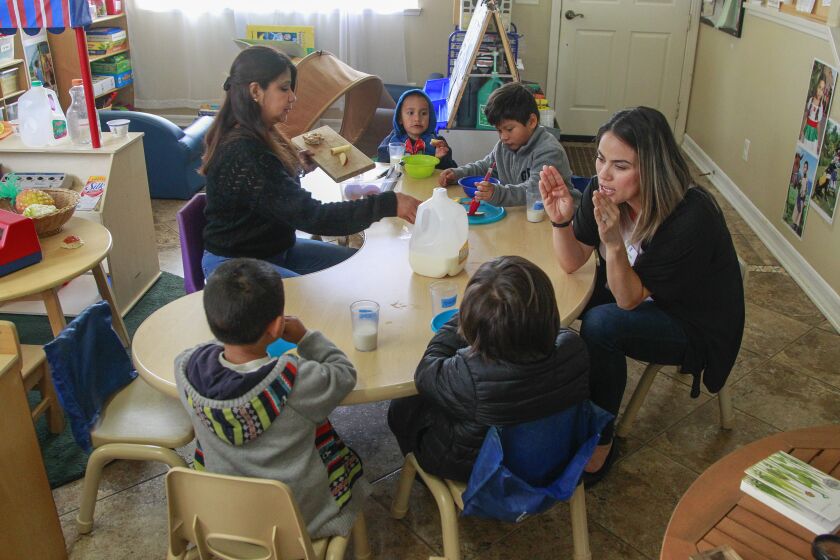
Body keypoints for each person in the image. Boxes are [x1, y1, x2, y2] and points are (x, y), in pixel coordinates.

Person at [538, 106, 744, 485]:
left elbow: (628, 301)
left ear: (651, 168)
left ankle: (601, 444)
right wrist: (561, 219)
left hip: (694, 320)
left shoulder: (690, 217)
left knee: (601, 325)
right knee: (552, 298)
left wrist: (614, 243)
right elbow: (571, 262)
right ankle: (556, 407)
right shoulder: (603, 193)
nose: (603, 173)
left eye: (620, 165)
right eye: (601, 158)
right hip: (643, 291)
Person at [174, 258, 369, 539]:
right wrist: (305, 337)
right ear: (277, 326)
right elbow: (343, 372)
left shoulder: (185, 369)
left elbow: (204, 350)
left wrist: (231, 330)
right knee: (344, 462)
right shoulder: (295, 380)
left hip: (224, 519)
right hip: (297, 521)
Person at [201, 46, 421, 279]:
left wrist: (294, 167)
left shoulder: (260, 133)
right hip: (235, 265)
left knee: (359, 269)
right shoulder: (243, 150)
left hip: (275, 251)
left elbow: (267, 191)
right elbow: (315, 217)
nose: (293, 97)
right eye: (284, 88)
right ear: (255, 90)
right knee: (316, 306)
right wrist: (389, 203)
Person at [387, 255, 589, 482]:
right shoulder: (575, 348)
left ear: (471, 321)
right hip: (552, 458)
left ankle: (421, 478)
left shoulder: (469, 373)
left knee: (402, 405)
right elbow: (553, 336)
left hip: (477, 470)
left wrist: (459, 318)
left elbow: (425, 372)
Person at [438, 82, 575, 208]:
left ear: (532, 121)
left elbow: (535, 191)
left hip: (555, 221)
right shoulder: (505, 146)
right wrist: (458, 174)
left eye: (509, 129)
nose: (503, 137)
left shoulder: (549, 151)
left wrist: (497, 193)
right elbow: (485, 167)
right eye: (499, 130)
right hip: (522, 214)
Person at [376, 89, 456, 168]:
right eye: (410, 113)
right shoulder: (391, 141)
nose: (417, 118)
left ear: (430, 118)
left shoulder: (438, 143)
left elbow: (451, 171)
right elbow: (381, 164)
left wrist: (441, 159)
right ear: (400, 118)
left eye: (423, 113)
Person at [801, 77, 826, 153]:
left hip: (813, 132)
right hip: (807, 130)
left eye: (822, 89)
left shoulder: (821, 107)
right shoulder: (811, 100)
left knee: (811, 150)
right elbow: (807, 116)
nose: (820, 91)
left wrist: (818, 141)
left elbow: (818, 125)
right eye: (819, 87)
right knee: (803, 148)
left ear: (823, 92)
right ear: (816, 87)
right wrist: (802, 130)